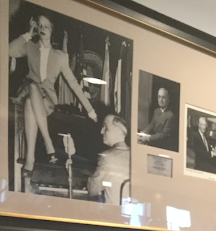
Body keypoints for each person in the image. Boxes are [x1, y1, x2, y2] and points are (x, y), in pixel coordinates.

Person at [9, 14, 98, 176]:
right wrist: (29, 33)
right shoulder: (30, 47)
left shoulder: (60, 57)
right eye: (40, 26)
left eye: (46, 26)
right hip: (29, 90)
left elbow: (74, 84)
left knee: (30, 101)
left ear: (52, 30)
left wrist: (90, 110)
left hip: (47, 101)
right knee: (32, 88)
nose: (43, 29)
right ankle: (47, 143)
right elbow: (10, 50)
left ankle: (31, 158)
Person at [88, 114, 130, 205]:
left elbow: (93, 189)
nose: (101, 131)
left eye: (105, 127)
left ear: (118, 131)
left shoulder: (107, 157)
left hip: (114, 215)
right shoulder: (135, 155)